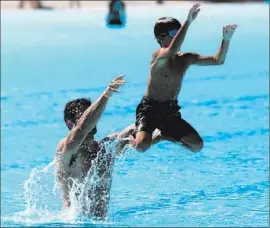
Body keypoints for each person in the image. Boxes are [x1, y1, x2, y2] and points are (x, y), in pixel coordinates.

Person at [129, 4, 237, 152]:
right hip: (149, 109)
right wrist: (188, 22)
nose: (178, 36)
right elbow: (172, 49)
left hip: (170, 110)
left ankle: (162, 135)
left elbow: (218, 60)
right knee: (141, 147)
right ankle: (132, 137)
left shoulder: (186, 58)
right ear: (161, 37)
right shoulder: (158, 56)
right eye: (175, 33)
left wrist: (226, 39)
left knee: (196, 146)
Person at [55, 75, 133, 220]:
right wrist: (106, 95)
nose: (93, 120)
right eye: (86, 116)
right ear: (70, 123)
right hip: (73, 223)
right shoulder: (67, 149)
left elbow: (130, 133)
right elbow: (80, 130)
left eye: (92, 114)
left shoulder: (104, 149)